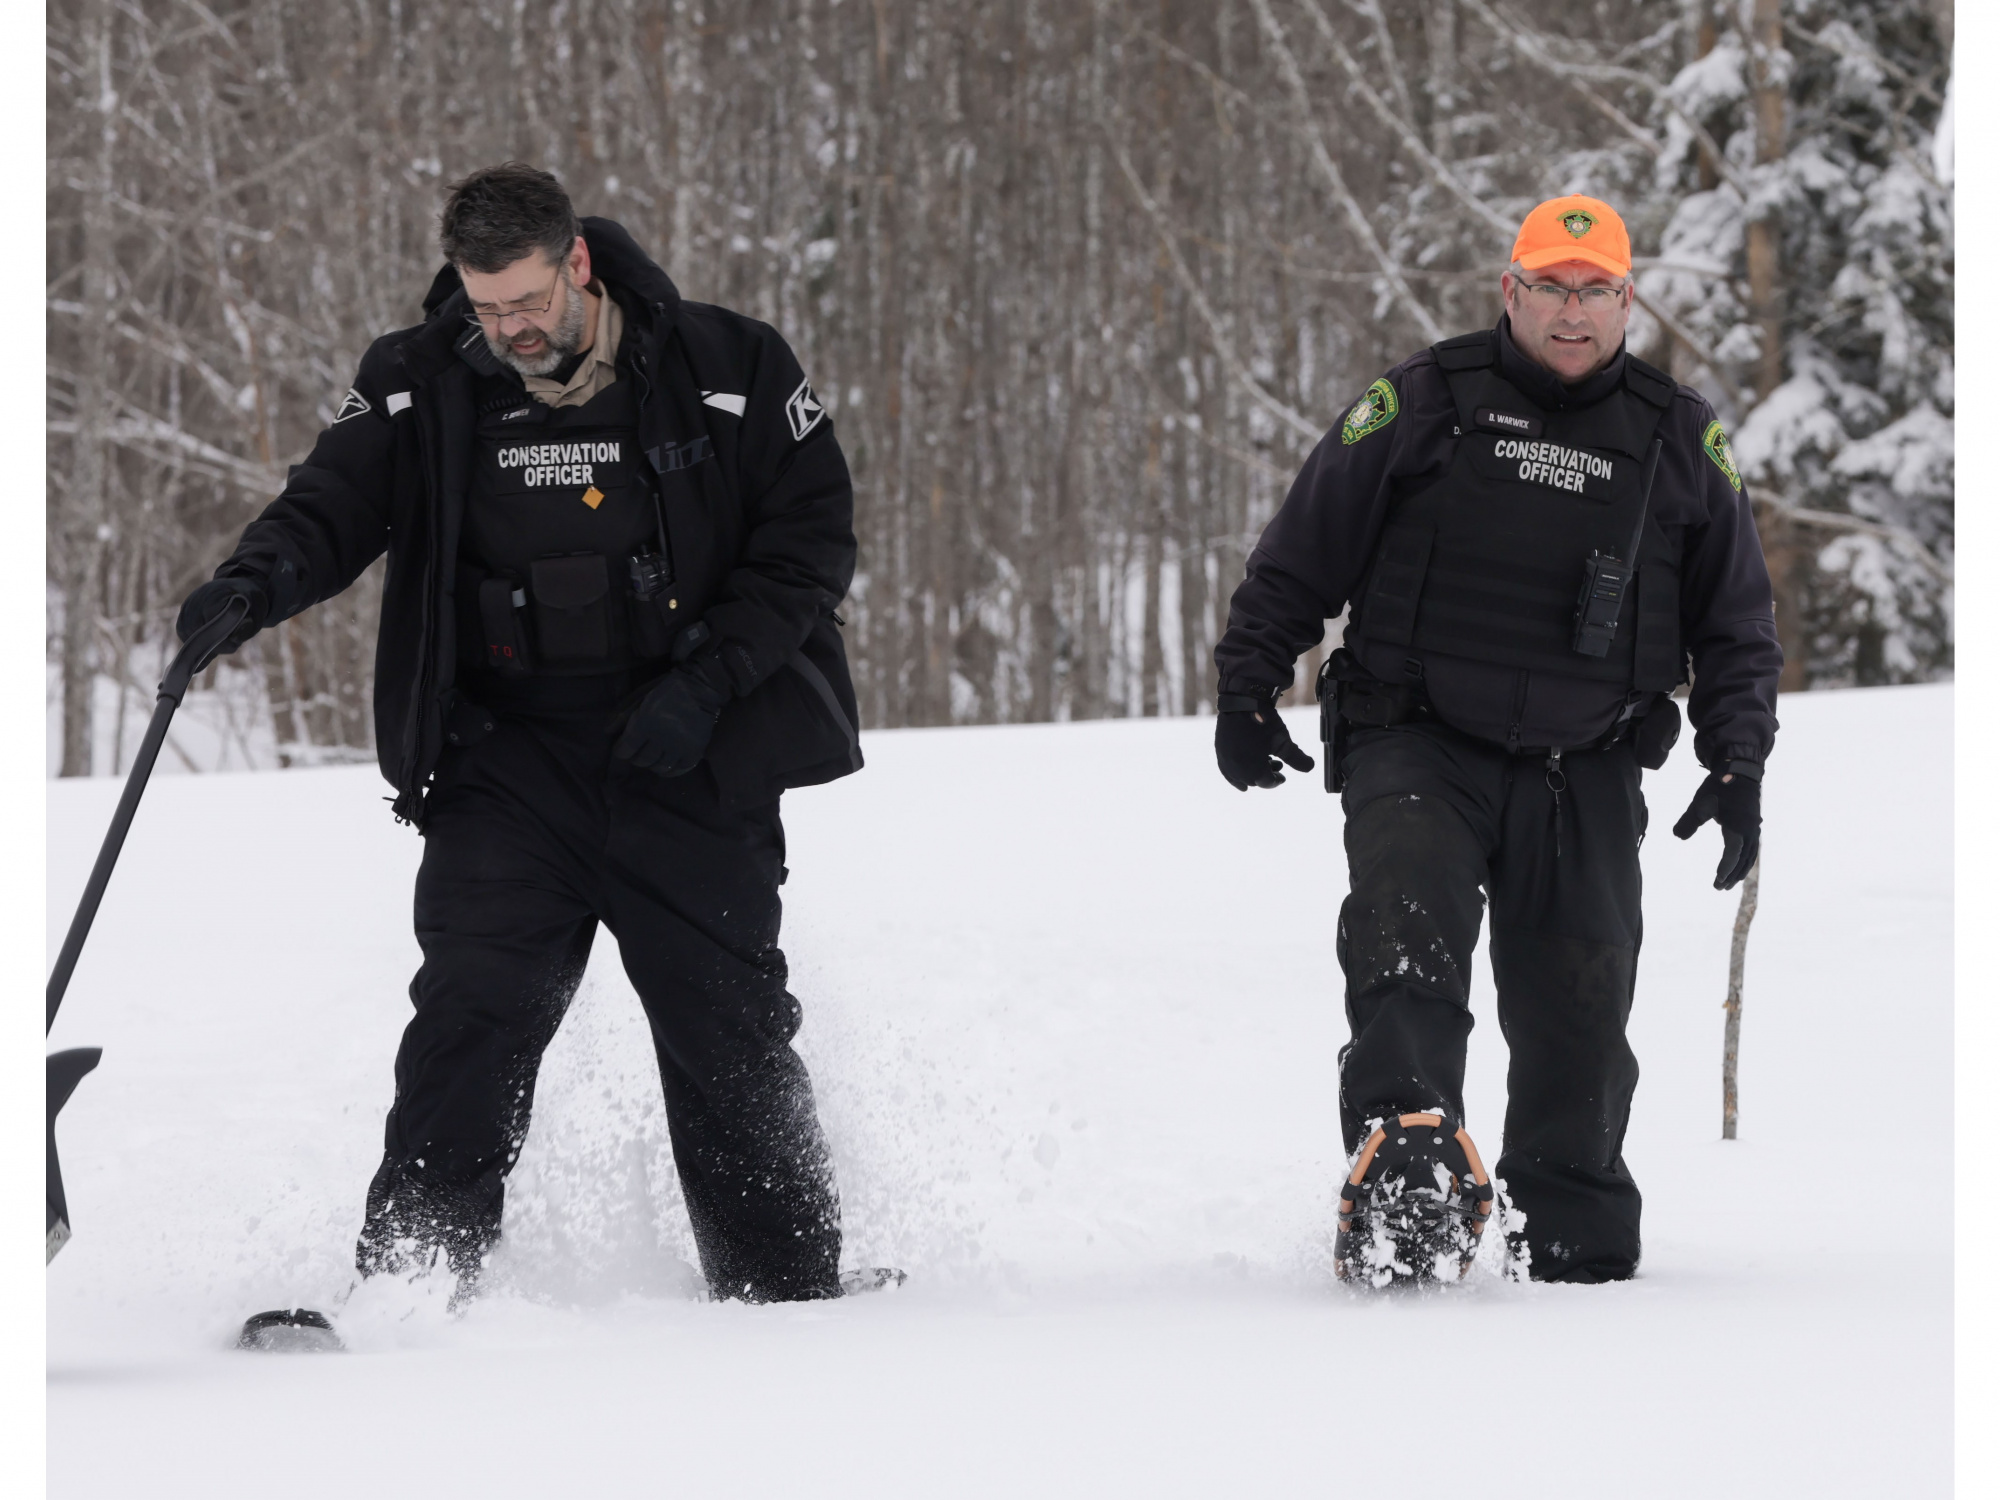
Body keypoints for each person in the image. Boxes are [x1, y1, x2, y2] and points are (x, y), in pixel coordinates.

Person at [178, 163, 871, 1304]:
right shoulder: (417, 379)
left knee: (726, 1032)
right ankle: (413, 1281)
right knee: (470, 1016)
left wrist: (711, 682)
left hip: (684, 754)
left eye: (527, 305)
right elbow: (329, 504)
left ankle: (787, 1294)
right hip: (507, 764)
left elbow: (809, 536)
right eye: (485, 308)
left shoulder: (729, 364)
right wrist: (249, 588)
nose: (508, 332)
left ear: (577, 264)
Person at [1211, 196, 1781, 1286]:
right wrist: (1248, 684)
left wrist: (1736, 760)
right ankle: (1405, 1170)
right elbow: (1300, 550)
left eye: (1596, 291)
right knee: (1403, 938)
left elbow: (1735, 625)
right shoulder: (1424, 400)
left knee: (1579, 1001)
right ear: (1508, 291)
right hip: (1418, 738)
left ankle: (1564, 1227)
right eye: (1550, 288)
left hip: (1589, 758)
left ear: (1627, 302)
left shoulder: (1679, 438)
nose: (1572, 313)